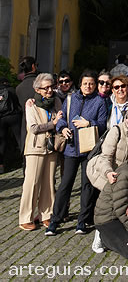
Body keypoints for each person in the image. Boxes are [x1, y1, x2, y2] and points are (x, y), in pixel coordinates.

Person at [45, 70, 108, 236]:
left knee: (87, 186)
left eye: (92, 84)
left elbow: (102, 125)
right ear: (80, 84)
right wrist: (63, 128)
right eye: (85, 83)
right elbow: (62, 118)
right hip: (71, 148)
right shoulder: (71, 99)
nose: (88, 86)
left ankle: (82, 221)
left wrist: (89, 123)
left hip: (90, 149)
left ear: (95, 86)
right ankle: (55, 220)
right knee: (66, 184)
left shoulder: (99, 102)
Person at [19, 73, 62, 230]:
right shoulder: (31, 104)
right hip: (35, 147)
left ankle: (47, 214)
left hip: (52, 147)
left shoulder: (57, 101)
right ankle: (25, 217)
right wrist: (53, 123)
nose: (50, 90)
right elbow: (33, 128)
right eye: (46, 88)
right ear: (37, 89)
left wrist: (58, 123)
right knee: (32, 183)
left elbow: (62, 119)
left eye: (52, 86)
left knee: (49, 183)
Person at [87, 104, 128, 192]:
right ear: (127, 117)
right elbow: (105, 157)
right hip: (114, 176)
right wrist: (108, 172)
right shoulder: (116, 131)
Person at [16, 56, 38, 152]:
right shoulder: (41, 84)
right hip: (41, 124)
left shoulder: (19, 88)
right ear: (33, 66)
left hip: (25, 125)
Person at [0, 74, 21, 173]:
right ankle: (24, 160)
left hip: (1, 118)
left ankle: (1, 165)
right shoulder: (13, 90)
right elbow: (18, 104)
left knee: (2, 141)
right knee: (19, 138)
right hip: (14, 117)